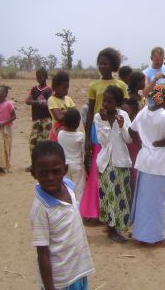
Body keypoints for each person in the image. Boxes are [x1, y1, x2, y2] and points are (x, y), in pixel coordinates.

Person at [29, 141, 95, 290]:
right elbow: (43, 253)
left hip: (77, 270)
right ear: (34, 173)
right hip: (60, 281)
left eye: (56, 171)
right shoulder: (41, 209)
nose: (50, 177)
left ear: (65, 170)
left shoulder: (69, 187)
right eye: (43, 173)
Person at [129, 83, 165, 247]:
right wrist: (163, 142)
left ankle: (140, 232)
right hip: (157, 162)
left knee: (143, 199)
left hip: (144, 160)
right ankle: (156, 238)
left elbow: (131, 129)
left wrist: (141, 145)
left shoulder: (143, 112)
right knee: (157, 201)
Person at [82, 47, 128, 220]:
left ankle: (111, 209)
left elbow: (125, 110)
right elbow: (90, 113)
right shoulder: (94, 86)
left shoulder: (121, 86)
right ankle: (94, 211)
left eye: (105, 63)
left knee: (113, 167)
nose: (102, 66)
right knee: (97, 168)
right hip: (98, 128)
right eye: (100, 63)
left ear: (113, 65)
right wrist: (87, 138)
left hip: (116, 128)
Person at [94, 86, 133, 243]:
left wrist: (123, 125)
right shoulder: (98, 118)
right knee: (109, 197)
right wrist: (104, 122)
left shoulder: (123, 115)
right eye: (105, 100)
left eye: (110, 101)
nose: (105, 104)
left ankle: (117, 227)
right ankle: (111, 230)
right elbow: (103, 141)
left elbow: (129, 139)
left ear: (117, 102)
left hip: (121, 161)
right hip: (106, 163)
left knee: (122, 196)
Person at [25, 68, 52, 163]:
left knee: (43, 142)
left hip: (46, 120)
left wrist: (35, 102)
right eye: (37, 77)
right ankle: (34, 163)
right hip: (36, 119)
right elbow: (27, 101)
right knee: (33, 142)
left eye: (41, 77)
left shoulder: (49, 90)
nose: (39, 79)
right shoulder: (34, 89)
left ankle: (42, 163)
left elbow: (48, 104)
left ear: (46, 77)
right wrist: (40, 102)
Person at [57, 109, 86, 200]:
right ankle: (77, 212)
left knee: (66, 188)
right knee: (78, 190)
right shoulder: (80, 136)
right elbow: (83, 152)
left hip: (64, 165)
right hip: (77, 165)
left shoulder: (60, 134)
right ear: (78, 123)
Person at [0, 85, 16, 175]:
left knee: (7, 147)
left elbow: (14, 116)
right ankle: (0, 167)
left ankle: (6, 166)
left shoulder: (9, 104)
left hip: (7, 128)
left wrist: (4, 123)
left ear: (5, 93)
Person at [47, 71, 75, 142]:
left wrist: (62, 112)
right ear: (56, 87)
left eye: (67, 88)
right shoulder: (52, 100)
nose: (66, 90)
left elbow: (75, 115)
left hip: (70, 132)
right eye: (64, 88)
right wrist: (69, 112)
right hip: (57, 133)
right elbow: (59, 117)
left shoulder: (69, 99)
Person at [122, 98, 141, 196]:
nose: (123, 114)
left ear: (134, 112)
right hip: (124, 157)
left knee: (133, 183)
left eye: (126, 111)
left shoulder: (137, 126)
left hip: (134, 157)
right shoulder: (121, 124)